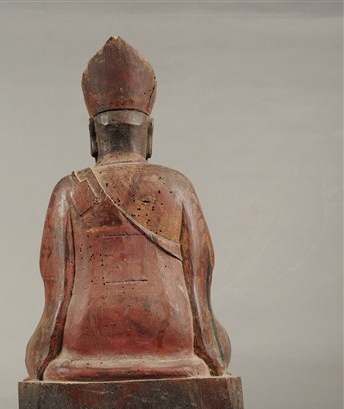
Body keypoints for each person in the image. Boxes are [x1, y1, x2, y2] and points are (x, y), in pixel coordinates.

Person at [26, 36, 231, 387]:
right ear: (149, 136)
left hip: (86, 347)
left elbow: (56, 299)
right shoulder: (177, 186)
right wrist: (213, 356)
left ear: (93, 137)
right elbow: (200, 291)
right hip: (174, 344)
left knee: (49, 356)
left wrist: (40, 361)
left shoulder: (69, 191)